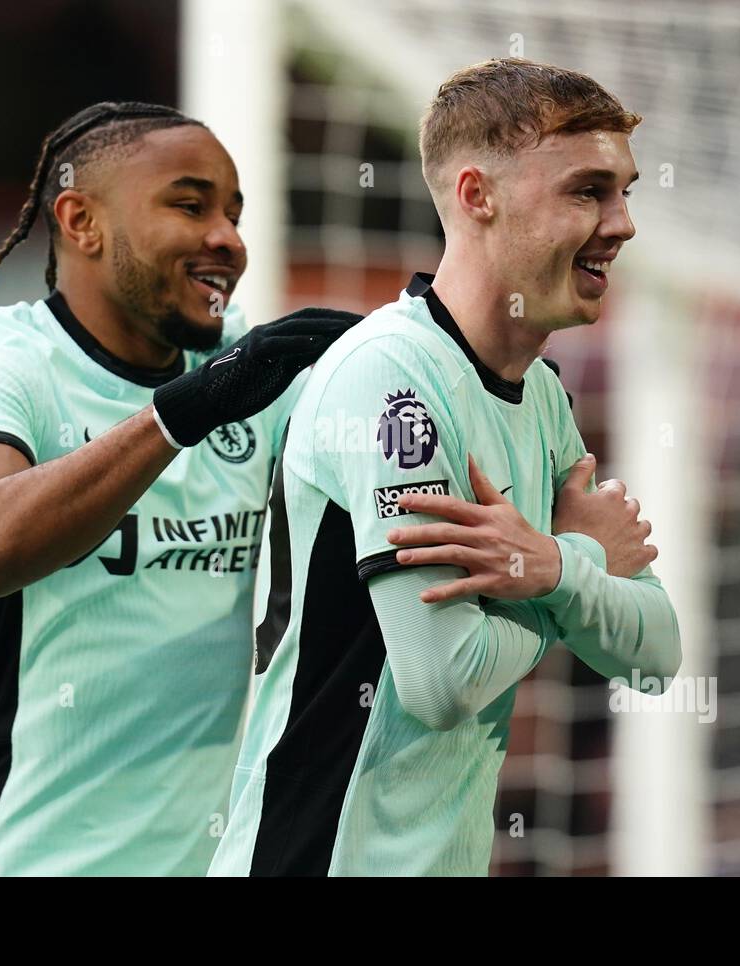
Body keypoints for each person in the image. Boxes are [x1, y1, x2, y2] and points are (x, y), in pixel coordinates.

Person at [209, 59, 680, 876]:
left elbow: (658, 652)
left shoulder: (543, 398)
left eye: (625, 192)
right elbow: (443, 680)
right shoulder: (391, 379)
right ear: (476, 195)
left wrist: (549, 568)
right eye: (587, 190)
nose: (622, 222)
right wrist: (576, 566)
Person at [0, 101, 358, 875]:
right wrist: (182, 415)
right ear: (81, 221)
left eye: (233, 212)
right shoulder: (1, 360)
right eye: (190, 205)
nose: (228, 238)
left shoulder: (240, 375)